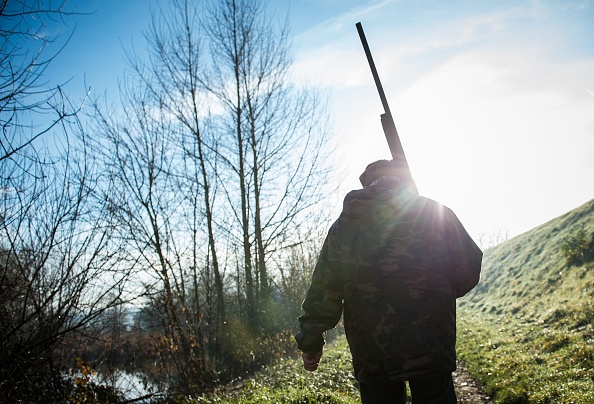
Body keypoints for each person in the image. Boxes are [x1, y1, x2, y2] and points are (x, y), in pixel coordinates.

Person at [295, 159, 482, 404]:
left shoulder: (344, 227)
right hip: (432, 342)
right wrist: (437, 294)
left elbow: (324, 289)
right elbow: (468, 269)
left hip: (373, 352)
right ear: (405, 180)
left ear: (368, 183)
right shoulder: (436, 213)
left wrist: (311, 341)